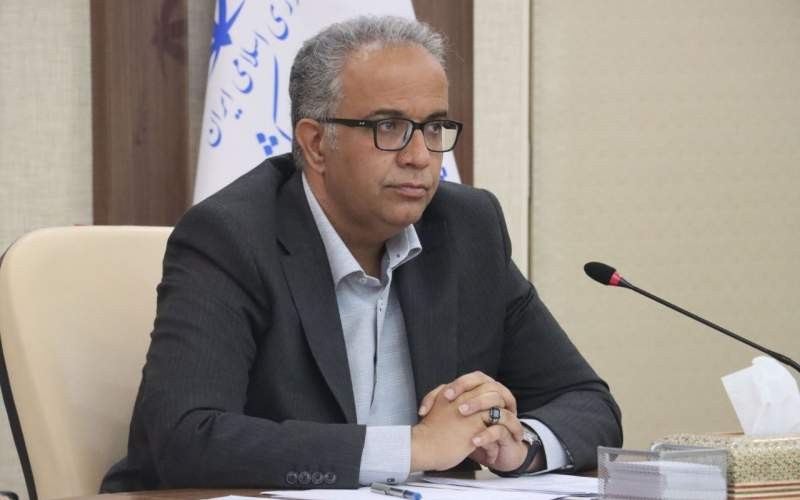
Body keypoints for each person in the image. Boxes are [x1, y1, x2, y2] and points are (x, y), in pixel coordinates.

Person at [101, 15, 622, 492]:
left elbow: (589, 403)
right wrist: (415, 448)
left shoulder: (467, 228)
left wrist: (517, 444)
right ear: (315, 144)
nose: (420, 156)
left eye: (433, 127)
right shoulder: (230, 238)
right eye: (387, 127)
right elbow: (184, 439)